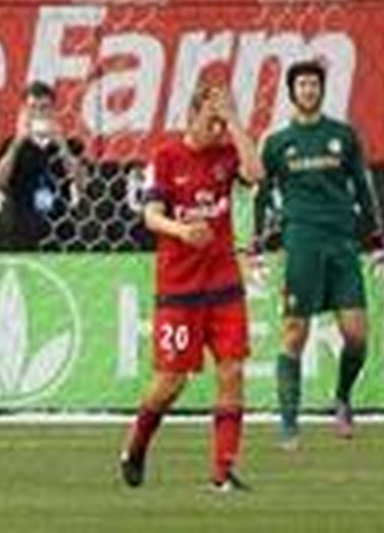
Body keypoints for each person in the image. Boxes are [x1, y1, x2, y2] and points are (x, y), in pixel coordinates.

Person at [121, 82, 263, 492]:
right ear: (192, 115)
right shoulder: (166, 157)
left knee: (232, 371)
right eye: (212, 120)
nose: (218, 129)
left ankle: (222, 472)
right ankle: (136, 444)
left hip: (223, 283)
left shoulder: (228, 152)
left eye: (222, 121)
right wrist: (182, 231)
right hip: (179, 287)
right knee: (171, 381)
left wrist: (234, 122)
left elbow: (256, 174)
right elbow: (150, 216)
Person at [254, 60, 384, 449]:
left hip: (342, 242)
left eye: (314, 84)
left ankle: (342, 399)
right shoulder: (277, 142)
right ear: (292, 91)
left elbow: (362, 189)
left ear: (322, 89)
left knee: (357, 335)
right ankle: (288, 422)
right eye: (302, 84)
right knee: (294, 332)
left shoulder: (343, 136)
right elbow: (262, 196)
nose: (308, 90)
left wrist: (376, 243)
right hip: (300, 242)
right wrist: (256, 249)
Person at [0, 81, 87, 249]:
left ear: (54, 112)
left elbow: (82, 184)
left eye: (44, 108)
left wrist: (61, 143)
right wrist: (18, 142)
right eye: (32, 108)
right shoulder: (11, 146)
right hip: (21, 237)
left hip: (63, 238)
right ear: (24, 112)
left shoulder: (72, 145)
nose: (38, 113)